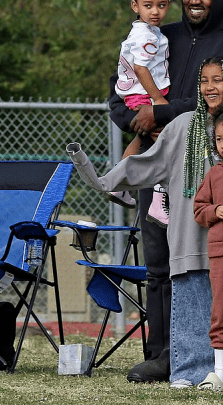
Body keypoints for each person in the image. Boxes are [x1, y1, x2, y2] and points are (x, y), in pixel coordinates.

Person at [73, 56, 223, 388]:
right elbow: (146, 164)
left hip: (221, 248)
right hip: (189, 244)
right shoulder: (184, 125)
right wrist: (104, 181)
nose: (211, 88)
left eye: (219, 80)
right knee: (189, 313)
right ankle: (188, 373)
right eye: (205, 81)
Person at [108, 0, 223, 383]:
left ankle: (204, 354)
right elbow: (120, 89)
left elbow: (211, 104)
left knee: (199, 264)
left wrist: (163, 112)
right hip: (157, 161)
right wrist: (137, 118)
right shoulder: (159, 35)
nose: (195, 0)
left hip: (202, 171)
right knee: (157, 265)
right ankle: (160, 354)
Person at [111, 0, 171, 225]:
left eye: (162, 5)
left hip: (136, 92)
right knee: (166, 140)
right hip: (144, 94)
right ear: (135, 6)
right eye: (148, 5)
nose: (155, 11)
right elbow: (141, 69)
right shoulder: (146, 36)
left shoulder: (145, 30)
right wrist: (158, 100)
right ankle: (159, 201)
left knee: (141, 137)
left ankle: (117, 184)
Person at [193, 104, 223, 390]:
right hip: (220, 254)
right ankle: (219, 373)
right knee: (221, 310)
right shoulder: (214, 174)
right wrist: (216, 210)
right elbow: (199, 210)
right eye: (219, 139)